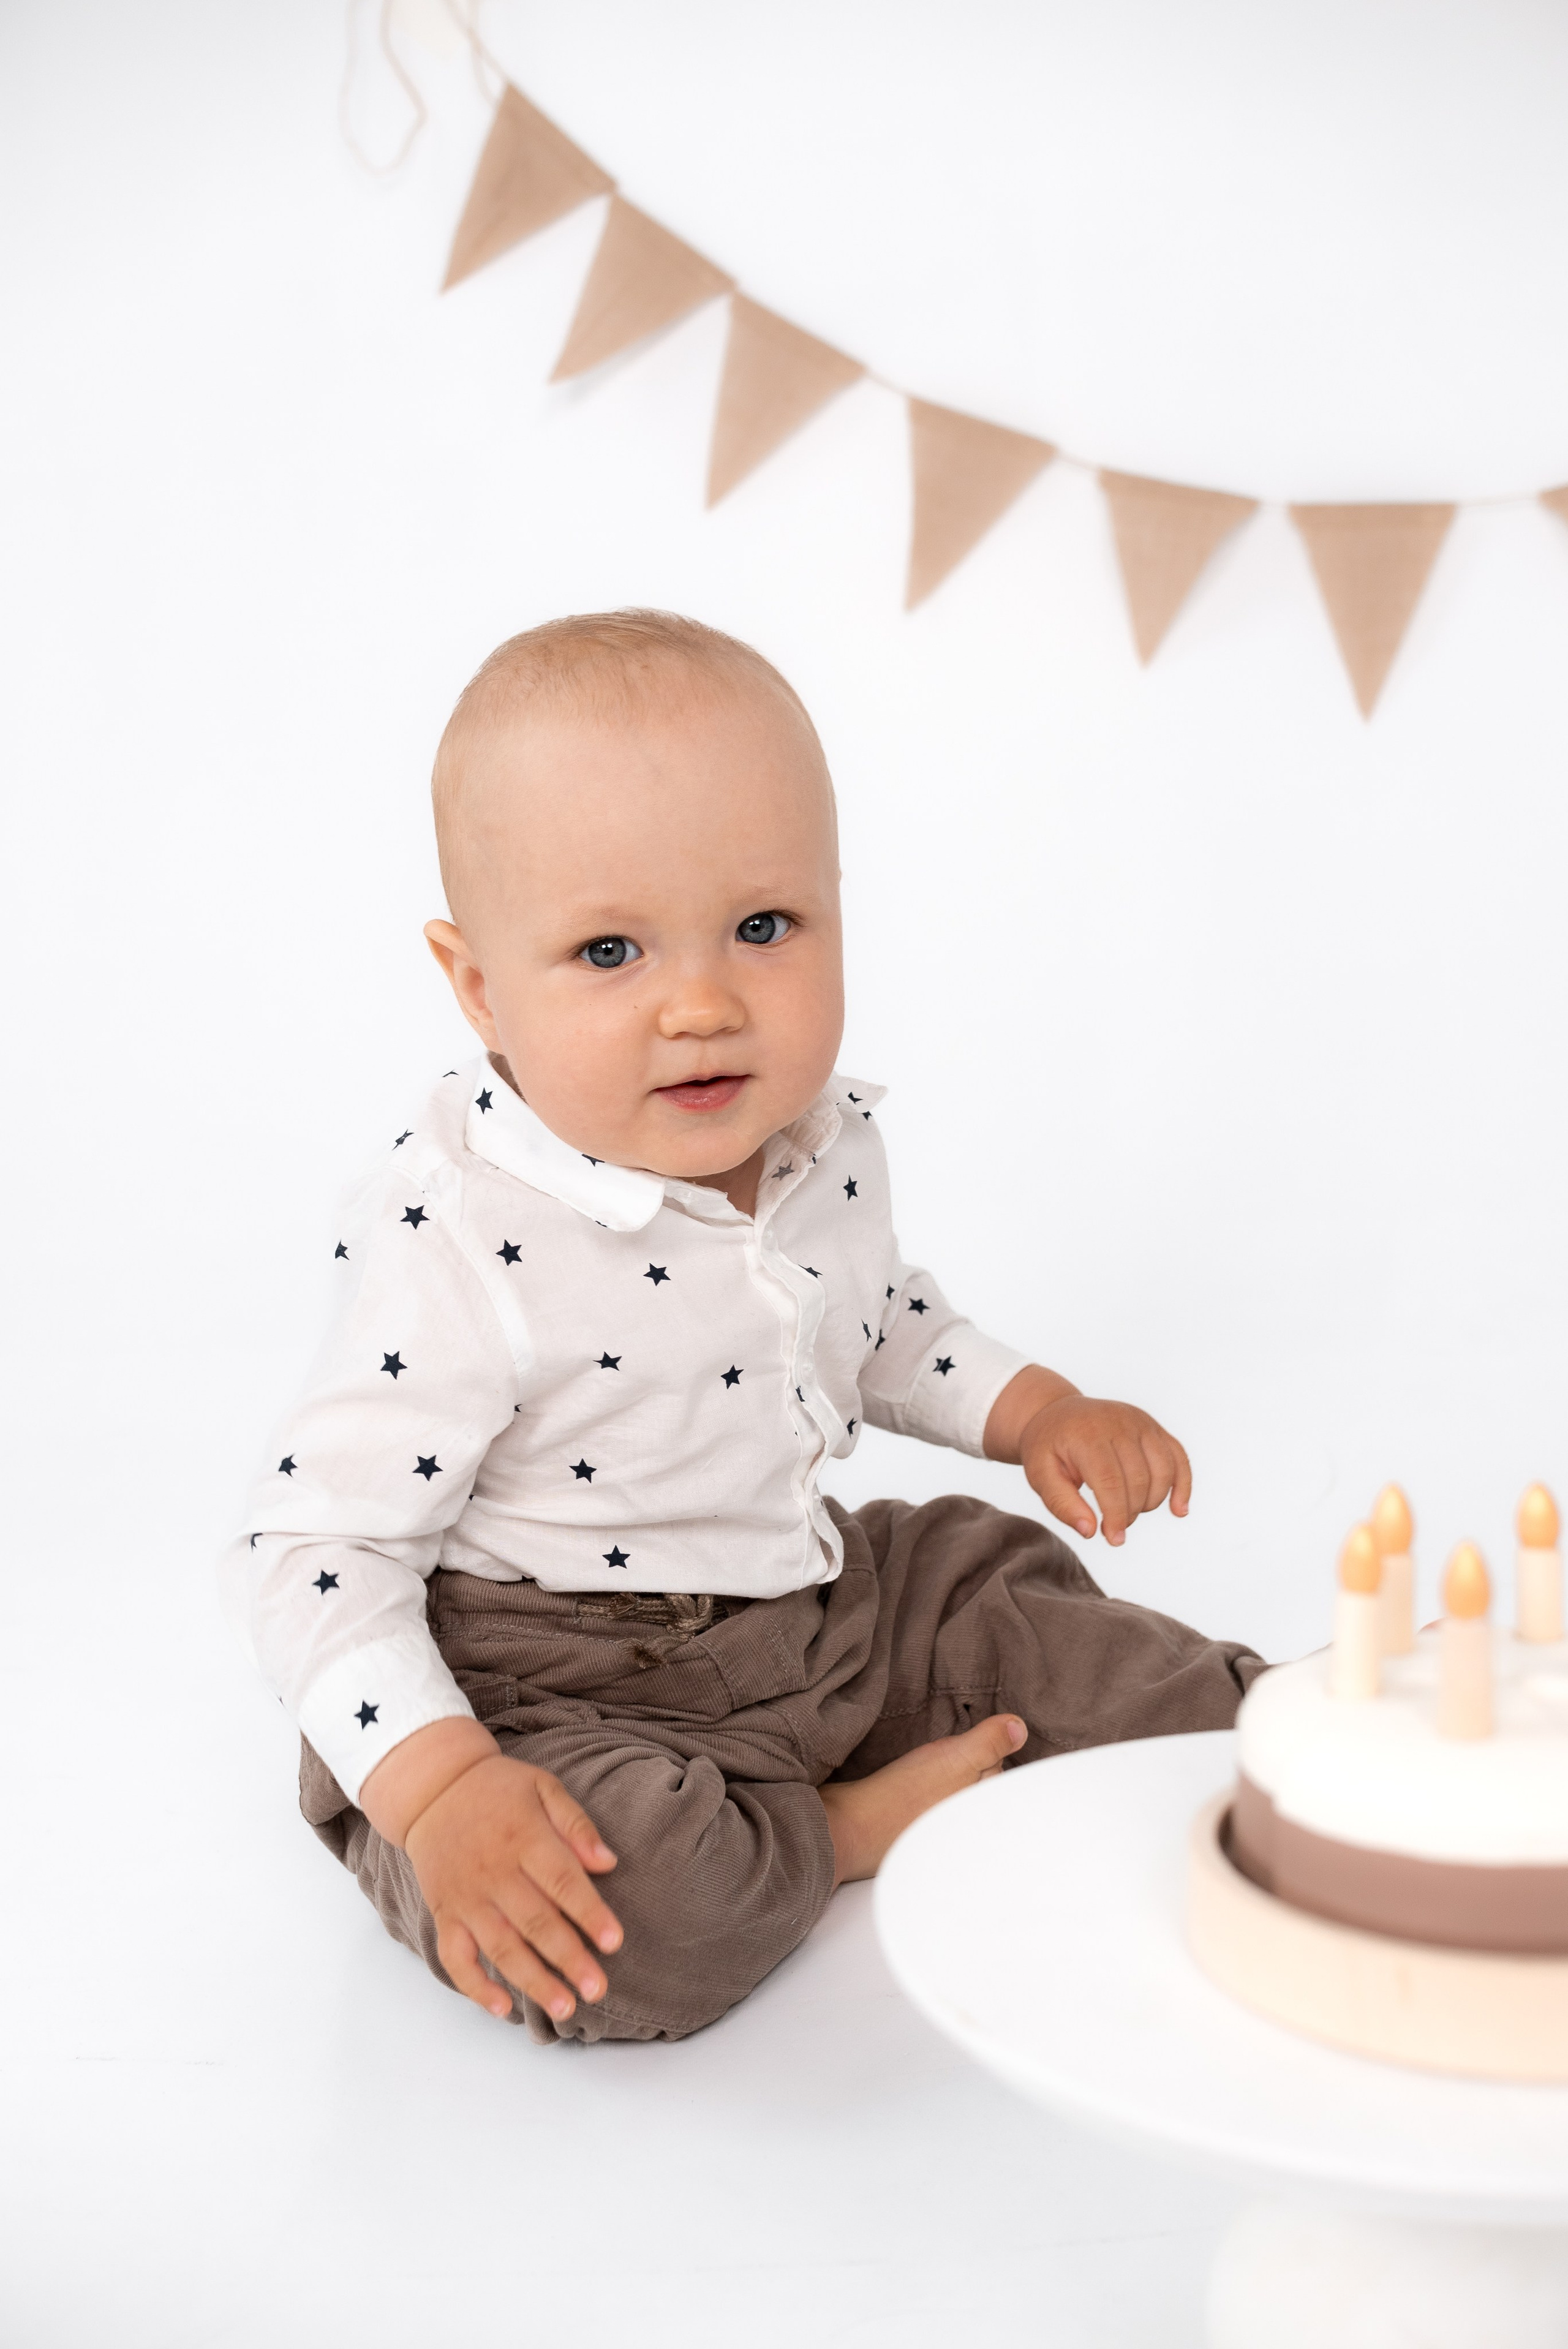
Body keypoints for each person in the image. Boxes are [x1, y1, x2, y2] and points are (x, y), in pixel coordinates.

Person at [222, 608, 1261, 2044]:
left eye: (763, 928)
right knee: (621, 1904)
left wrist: (1037, 1410)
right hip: (546, 1687)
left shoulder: (816, 1141)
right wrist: (443, 1787)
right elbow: (319, 1550)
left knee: (1009, 1612)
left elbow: (877, 1320)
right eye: (607, 952)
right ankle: (827, 1838)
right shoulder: (460, 1235)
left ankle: (1302, 1738)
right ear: (477, 987)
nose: (701, 1003)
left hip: (811, 1612)